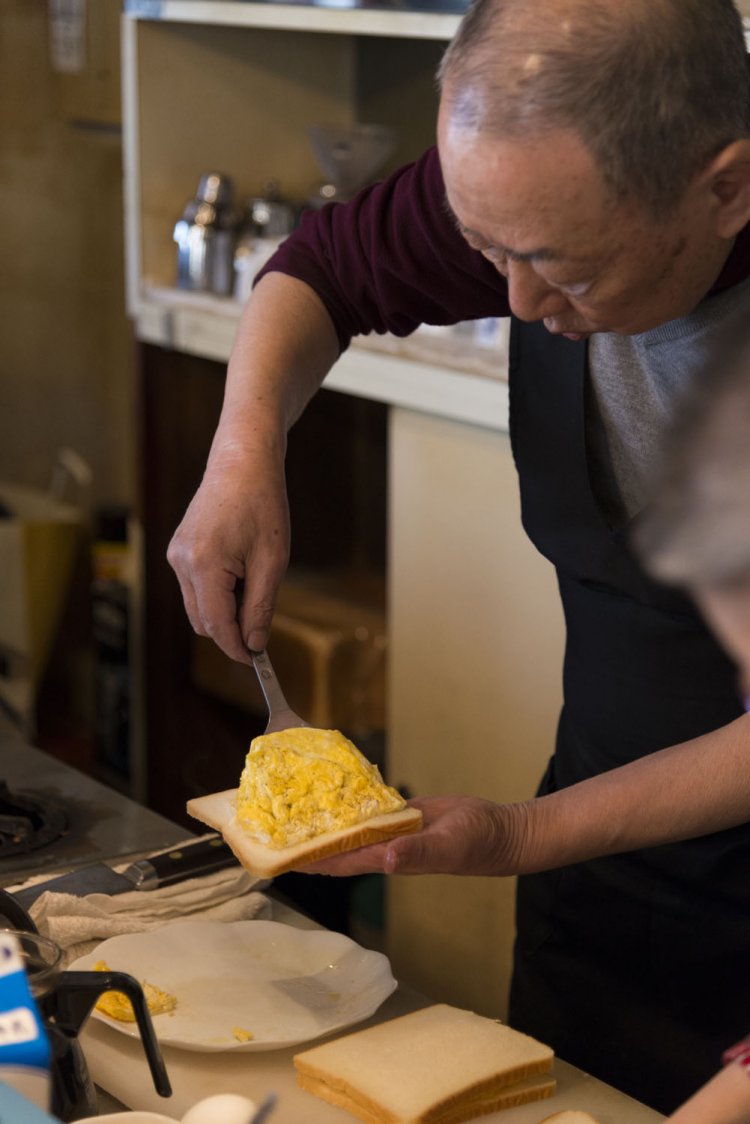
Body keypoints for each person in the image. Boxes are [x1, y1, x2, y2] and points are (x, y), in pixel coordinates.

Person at [167, 0, 750, 1112]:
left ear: (726, 187)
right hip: (607, 867)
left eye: (559, 268)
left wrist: (522, 833)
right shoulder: (548, 183)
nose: (517, 302)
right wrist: (244, 455)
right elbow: (325, 267)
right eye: (488, 252)